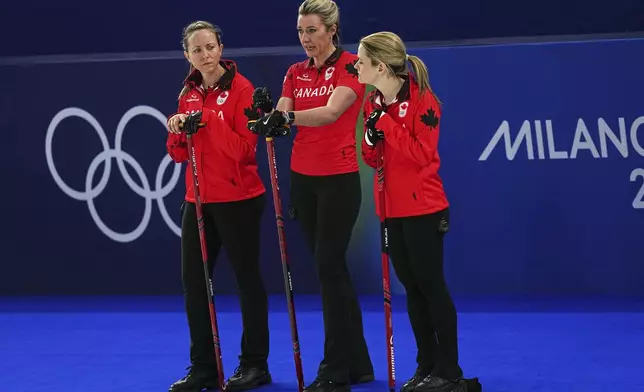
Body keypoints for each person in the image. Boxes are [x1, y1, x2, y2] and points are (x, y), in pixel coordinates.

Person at [247, 1, 374, 391]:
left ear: (332, 30)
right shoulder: (294, 72)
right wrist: (271, 116)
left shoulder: (351, 65)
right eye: (301, 31)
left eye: (313, 30)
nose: (306, 39)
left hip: (339, 179)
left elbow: (331, 112)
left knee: (328, 265)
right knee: (331, 273)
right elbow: (284, 111)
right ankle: (359, 363)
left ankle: (334, 369)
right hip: (304, 179)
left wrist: (287, 119)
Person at [355, 31, 482, 392]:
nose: (357, 66)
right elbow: (372, 157)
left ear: (380, 65)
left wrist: (385, 125)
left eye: (362, 61)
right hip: (390, 208)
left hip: (423, 206)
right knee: (410, 287)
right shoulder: (373, 101)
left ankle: (448, 368)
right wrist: (370, 138)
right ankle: (426, 364)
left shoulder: (423, 100)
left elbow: (420, 155)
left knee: (430, 285)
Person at [165, 20, 272, 392]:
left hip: (239, 199)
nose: (205, 56)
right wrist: (177, 129)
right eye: (197, 50)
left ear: (221, 48)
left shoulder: (241, 89)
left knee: (247, 282)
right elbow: (178, 153)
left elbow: (245, 150)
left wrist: (209, 120)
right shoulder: (188, 92)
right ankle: (204, 368)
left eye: (210, 47)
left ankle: (255, 364)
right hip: (197, 201)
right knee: (194, 285)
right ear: (187, 56)